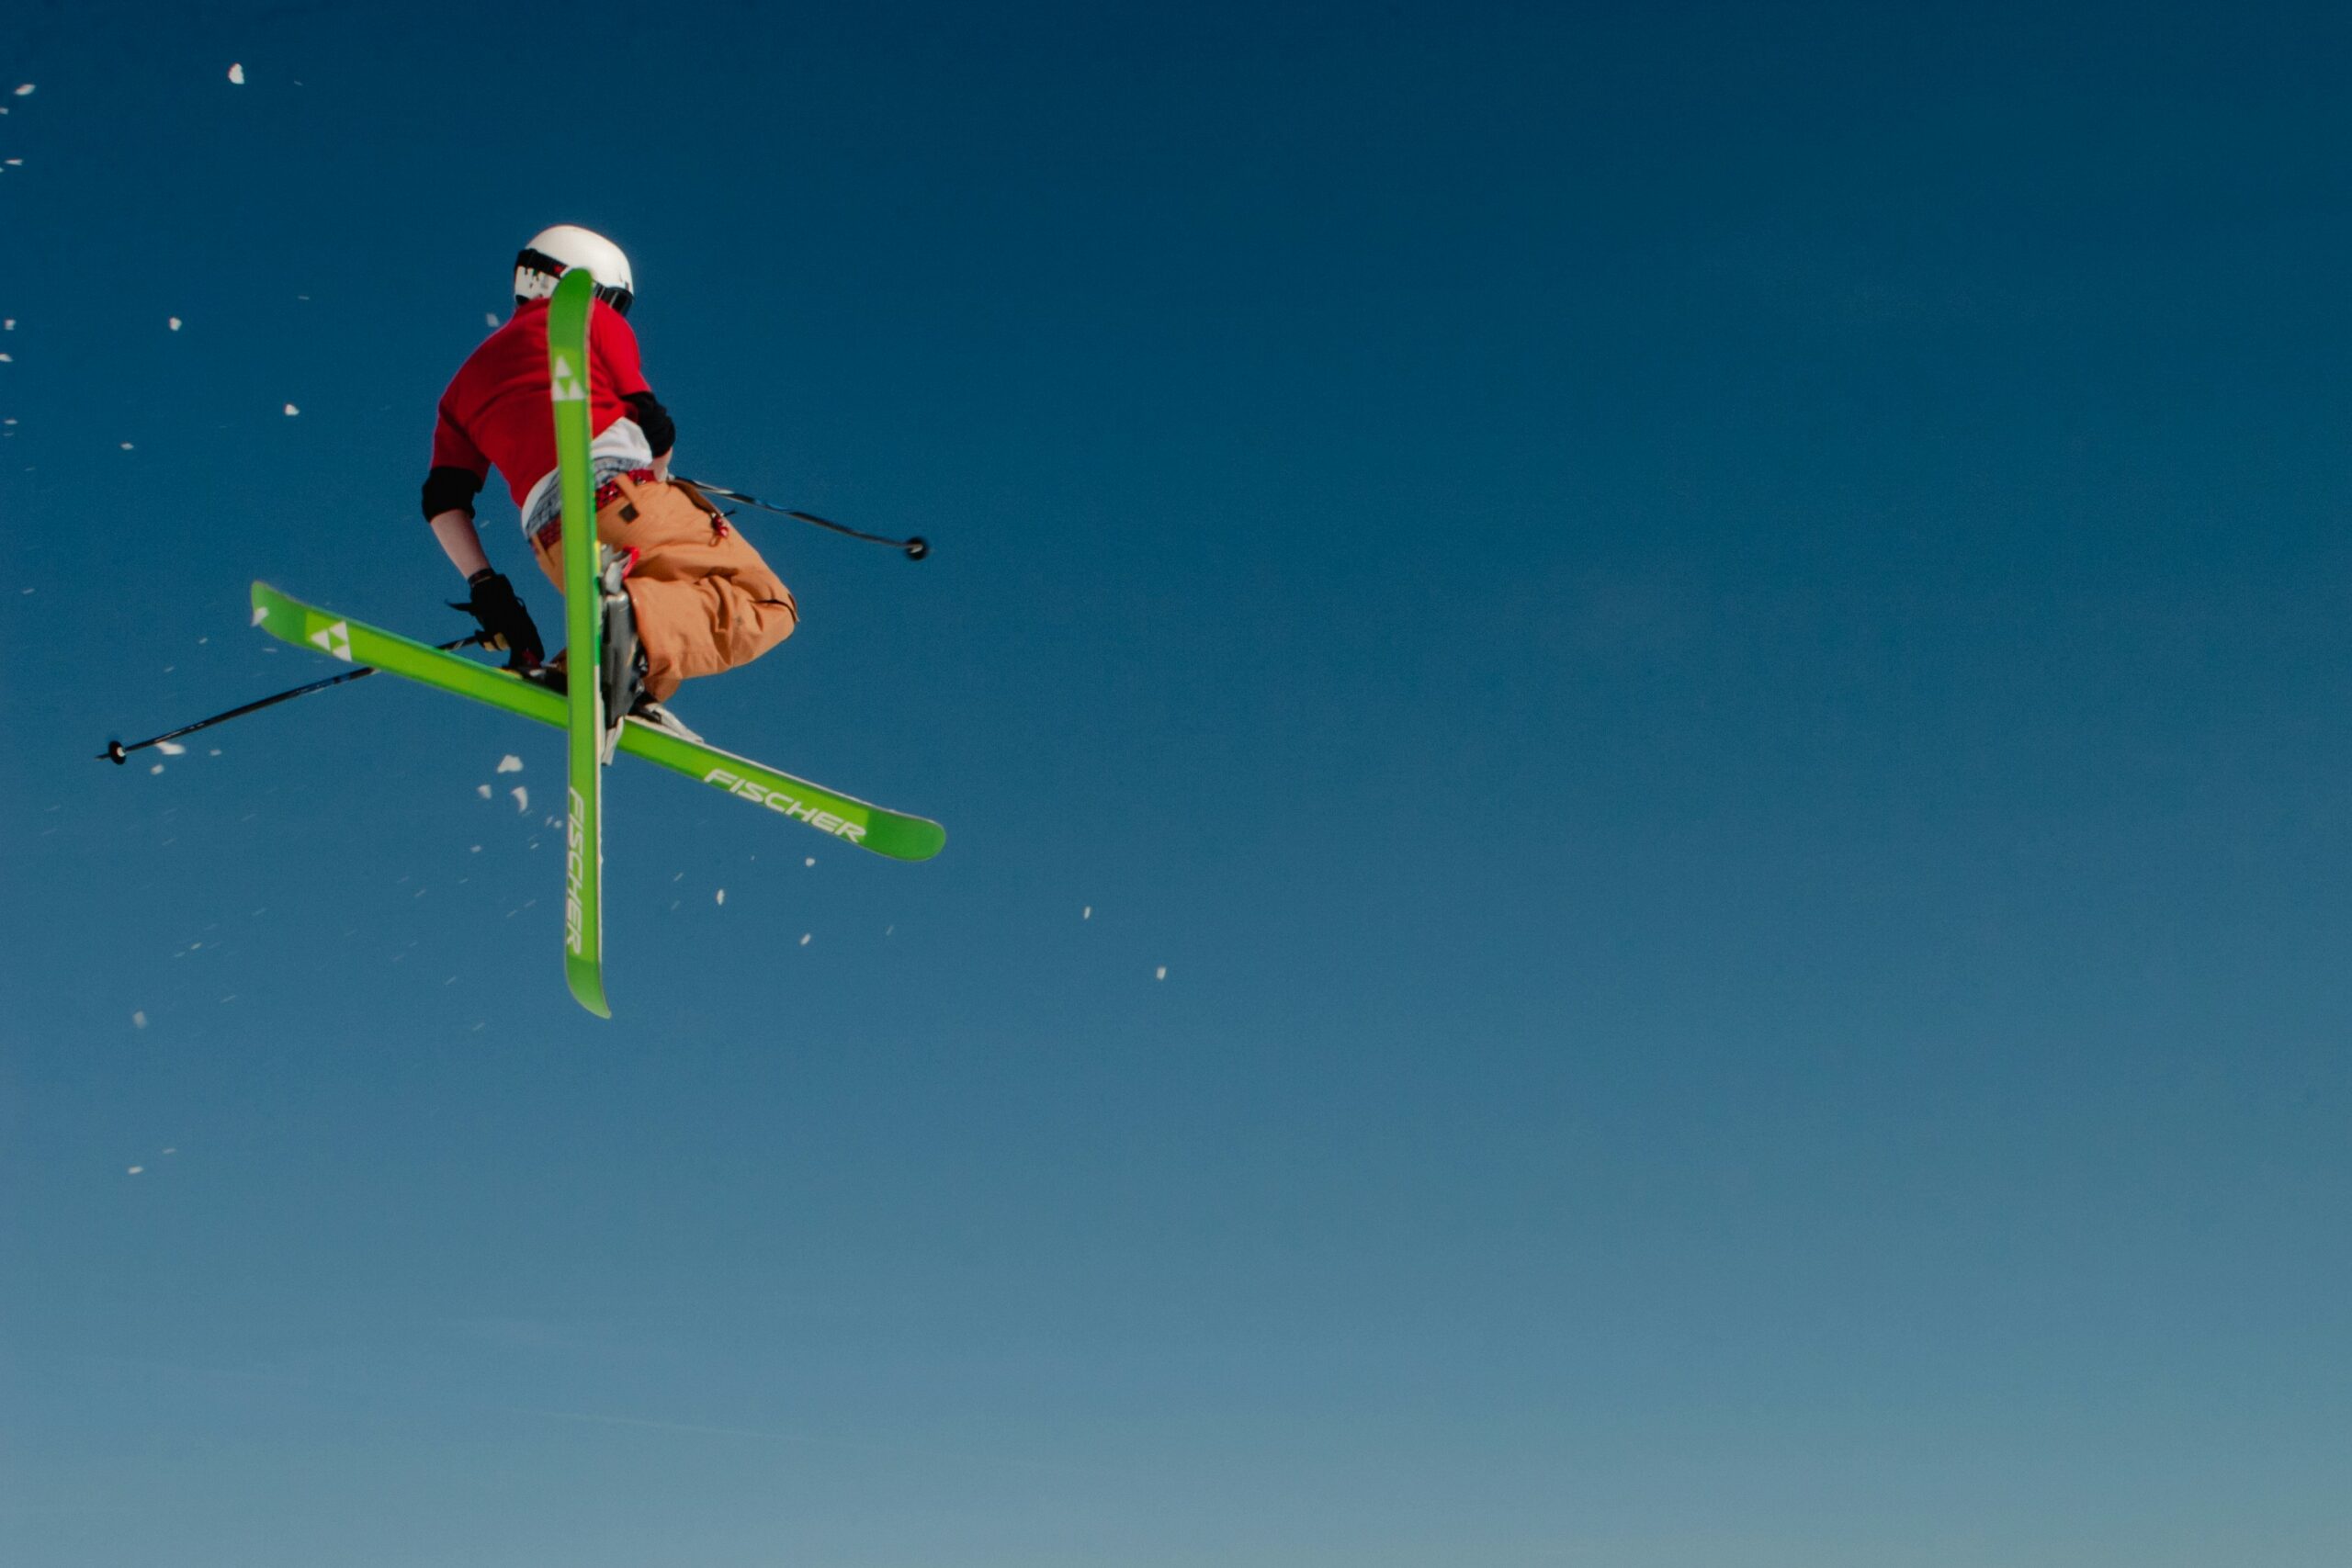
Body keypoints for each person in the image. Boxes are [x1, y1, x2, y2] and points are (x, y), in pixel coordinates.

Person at [423, 225, 798, 733]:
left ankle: (602, 676)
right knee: (766, 602)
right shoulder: (589, 317)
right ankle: (630, 635)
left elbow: (444, 500)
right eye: (614, 299)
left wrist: (489, 590)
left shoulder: (463, 385)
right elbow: (651, 418)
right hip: (623, 499)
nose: (616, 310)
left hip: (555, 544)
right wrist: (659, 475)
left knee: (665, 598)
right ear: (586, 282)